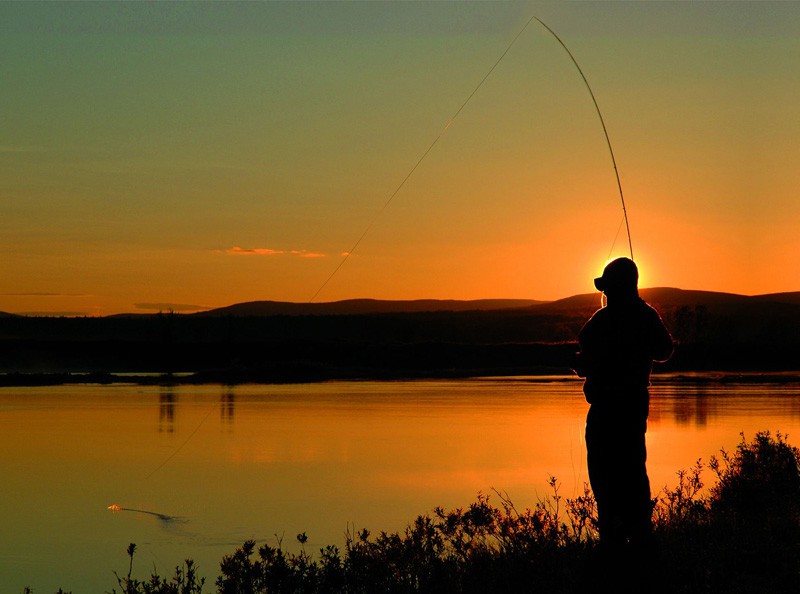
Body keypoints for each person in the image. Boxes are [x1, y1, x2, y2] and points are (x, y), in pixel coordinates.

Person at [572, 257, 673, 550]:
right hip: (633, 406)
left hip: (606, 409)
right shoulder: (646, 316)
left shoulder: (601, 321)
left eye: (608, 287)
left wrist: (580, 365)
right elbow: (664, 350)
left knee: (605, 474)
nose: (605, 293)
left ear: (620, 287)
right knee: (632, 470)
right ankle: (639, 538)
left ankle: (614, 542)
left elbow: (587, 354)